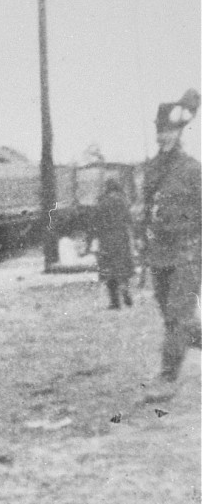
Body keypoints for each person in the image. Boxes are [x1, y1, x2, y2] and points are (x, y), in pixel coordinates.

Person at [139, 90, 201, 403]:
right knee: (172, 316)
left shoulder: (193, 170)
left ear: (179, 134)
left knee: (178, 313)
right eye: (160, 132)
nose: (164, 137)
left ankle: (167, 376)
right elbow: (144, 208)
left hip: (188, 252)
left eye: (169, 132)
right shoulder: (151, 169)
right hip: (159, 253)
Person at [87, 178, 136, 310]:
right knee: (123, 268)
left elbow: (94, 222)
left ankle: (115, 302)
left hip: (106, 239)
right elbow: (129, 220)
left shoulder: (102, 202)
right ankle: (125, 289)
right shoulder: (123, 201)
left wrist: (90, 241)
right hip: (121, 238)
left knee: (109, 270)